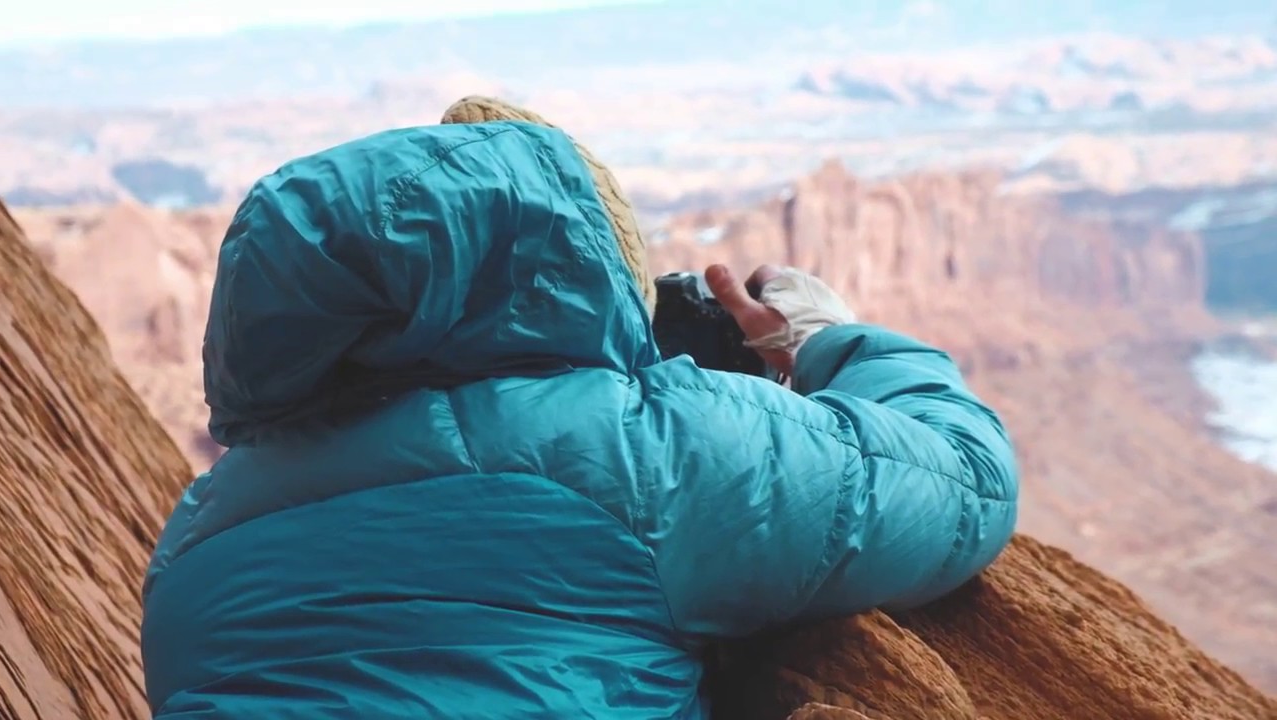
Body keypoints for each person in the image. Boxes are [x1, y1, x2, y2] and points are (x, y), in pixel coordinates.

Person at [140, 96, 1018, 719]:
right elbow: (970, 483)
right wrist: (825, 341)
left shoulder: (194, 544)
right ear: (573, 265)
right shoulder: (654, 454)